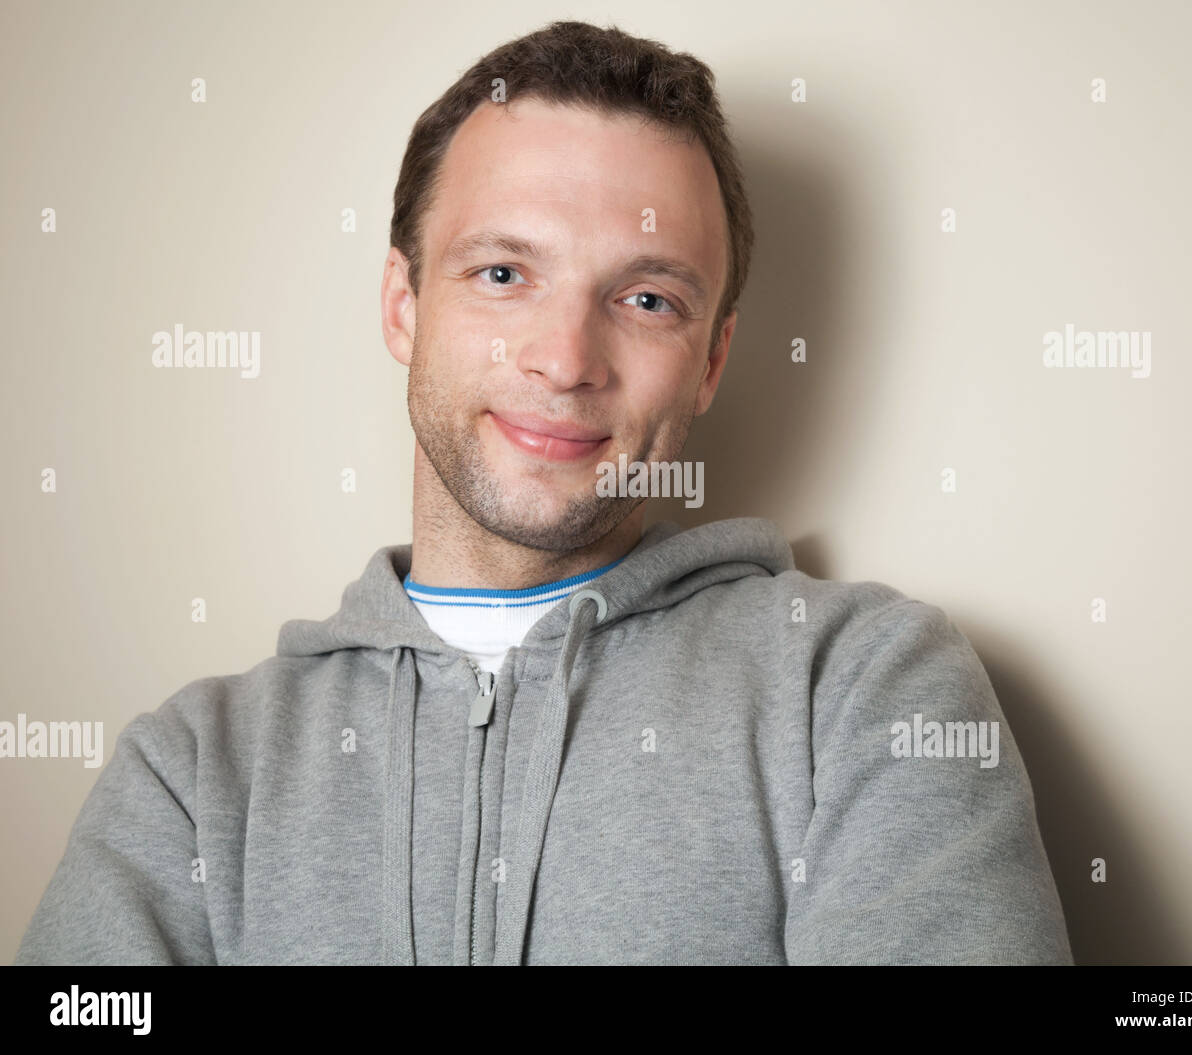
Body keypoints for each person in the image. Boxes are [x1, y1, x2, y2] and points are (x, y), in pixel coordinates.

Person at [15, 20, 1072, 965]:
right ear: (402, 305)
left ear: (710, 360)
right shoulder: (193, 773)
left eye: (647, 298)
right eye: (503, 274)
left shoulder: (859, 689)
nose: (566, 360)